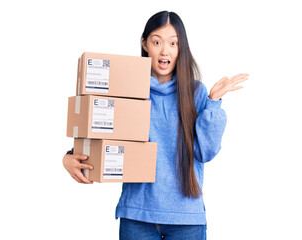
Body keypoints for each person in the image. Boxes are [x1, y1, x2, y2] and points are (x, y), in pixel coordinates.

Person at [63, 10, 249, 240]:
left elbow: (206, 152)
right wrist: (70, 156)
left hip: (186, 219)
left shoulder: (195, 93)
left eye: (173, 43)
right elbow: (100, 127)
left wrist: (212, 104)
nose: (165, 50)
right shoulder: (127, 89)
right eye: (157, 41)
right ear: (145, 44)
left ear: (181, 48)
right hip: (137, 216)